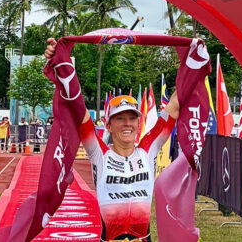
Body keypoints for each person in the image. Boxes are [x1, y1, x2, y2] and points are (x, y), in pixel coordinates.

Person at [45, 38, 179, 242]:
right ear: (108, 125)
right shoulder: (99, 152)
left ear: (138, 123)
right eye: (120, 118)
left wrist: (194, 63)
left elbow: (174, 107)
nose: (127, 124)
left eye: (132, 118)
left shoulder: (148, 148)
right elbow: (78, 108)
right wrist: (61, 62)